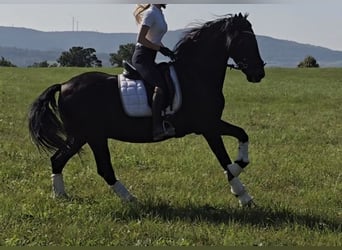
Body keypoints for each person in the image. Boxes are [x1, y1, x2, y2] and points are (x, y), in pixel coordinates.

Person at [132, 4, 175, 141]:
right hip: (142, 58)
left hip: (150, 57)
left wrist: (166, 50)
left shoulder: (159, 13)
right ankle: (156, 128)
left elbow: (154, 38)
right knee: (160, 87)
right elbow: (141, 39)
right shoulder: (151, 13)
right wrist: (159, 49)